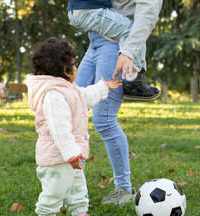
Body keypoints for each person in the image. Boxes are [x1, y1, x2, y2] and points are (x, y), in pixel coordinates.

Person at [66, 0, 163, 204]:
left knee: (104, 119)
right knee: (74, 109)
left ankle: (123, 189)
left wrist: (129, 52)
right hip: (95, 42)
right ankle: (71, 183)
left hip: (114, 46)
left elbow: (147, 14)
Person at [26, 38, 122, 216]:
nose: (76, 68)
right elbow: (59, 129)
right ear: (64, 70)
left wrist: (103, 88)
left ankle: (79, 214)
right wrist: (71, 154)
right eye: (74, 64)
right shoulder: (53, 94)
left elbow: (84, 96)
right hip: (57, 155)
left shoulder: (69, 89)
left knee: (78, 185)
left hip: (71, 154)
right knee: (56, 188)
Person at [67, 0, 162, 100]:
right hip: (90, 12)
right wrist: (128, 53)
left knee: (76, 101)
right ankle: (132, 80)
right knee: (131, 31)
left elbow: (148, 10)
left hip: (78, 11)